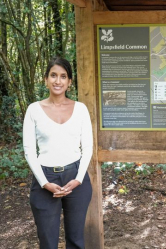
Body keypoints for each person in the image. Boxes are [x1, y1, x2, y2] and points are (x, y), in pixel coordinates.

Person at [23, 57, 93, 249]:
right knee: (47, 241)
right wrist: (45, 183)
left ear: (69, 82)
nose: (57, 81)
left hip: (76, 177)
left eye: (63, 76)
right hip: (45, 178)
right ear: (45, 79)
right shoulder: (34, 110)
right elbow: (29, 150)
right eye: (53, 75)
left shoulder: (80, 109)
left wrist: (78, 179)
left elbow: (87, 147)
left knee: (76, 240)